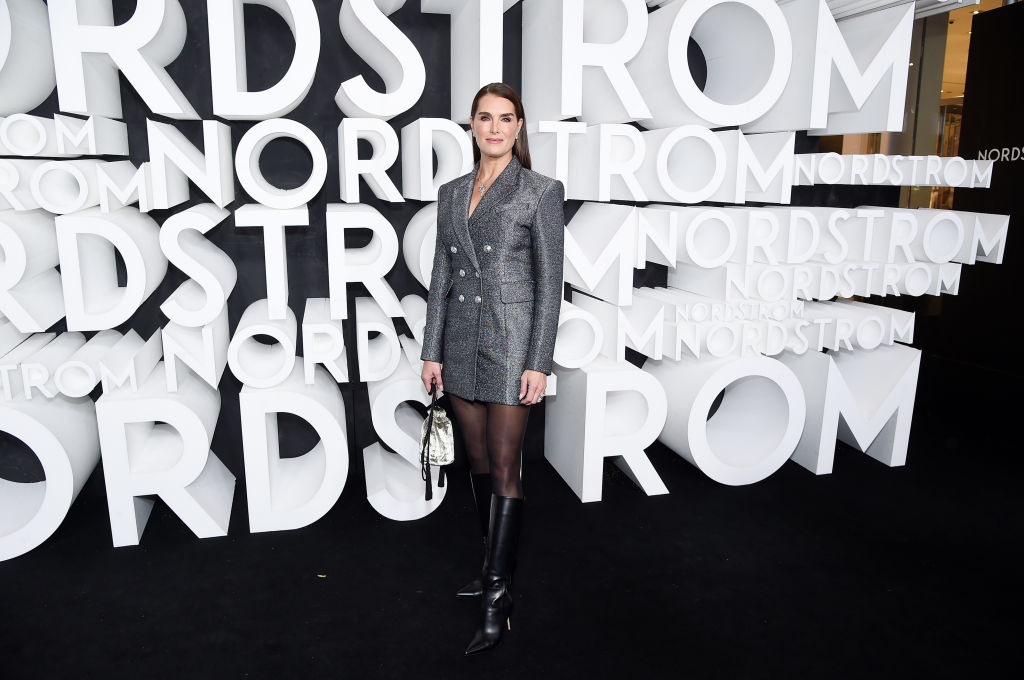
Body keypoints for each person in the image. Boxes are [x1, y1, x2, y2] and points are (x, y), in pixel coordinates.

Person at [419, 82, 565, 655]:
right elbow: (441, 275)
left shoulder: (540, 191)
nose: (495, 128)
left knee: (506, 466)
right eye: (485, 118)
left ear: (519, 127)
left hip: (511, 345)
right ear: (473, 126)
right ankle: (489, 566)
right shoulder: (451, 192)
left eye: (506, 118)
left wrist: (538, 363)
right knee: (477, 462)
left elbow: (550, 285)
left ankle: (497, 597)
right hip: (459, 342)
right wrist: (431, 350)